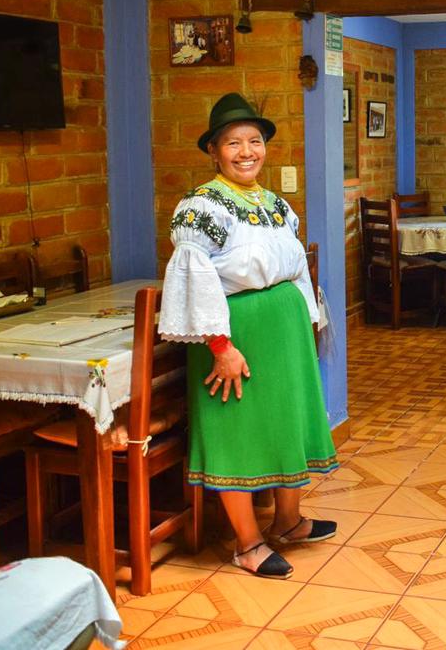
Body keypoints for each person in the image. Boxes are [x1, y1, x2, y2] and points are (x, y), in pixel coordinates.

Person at [158, 92, 338, 580]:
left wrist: (307, 324)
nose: (246, 152)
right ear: (213, 151)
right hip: (237, 335)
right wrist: (221, 347)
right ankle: (247, 542)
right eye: (232, 143)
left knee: (286, 421)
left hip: (283, 332)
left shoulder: (275, 205)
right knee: (236, 430)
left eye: (254, 141)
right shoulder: (200, 207)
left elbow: (296, 269)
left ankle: (288, 522)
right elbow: (196, 280)